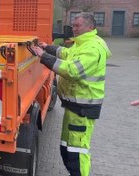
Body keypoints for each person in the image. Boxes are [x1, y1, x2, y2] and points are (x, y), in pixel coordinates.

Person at [31, 12, 112, 176]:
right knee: (67, 149)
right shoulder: (82, 44)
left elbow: (72, 70)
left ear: (90, 27)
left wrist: (43, 56)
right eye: (73, 26)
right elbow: (66, 54)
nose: (74, 29)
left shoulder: (93, 48)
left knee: (77, 153)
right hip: (74, 107)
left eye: (78, 26)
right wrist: (48, 47)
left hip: (82, 110)